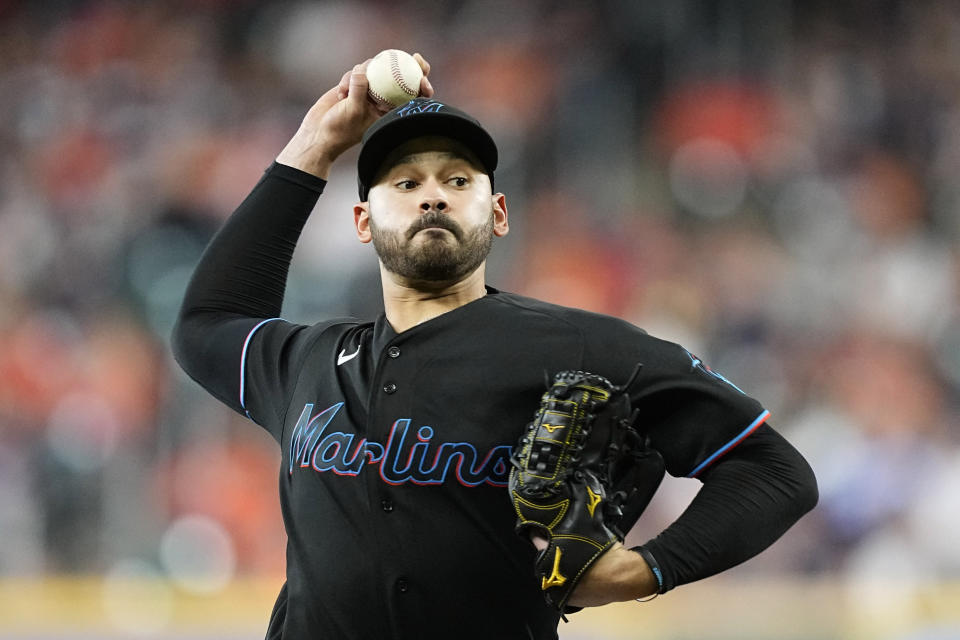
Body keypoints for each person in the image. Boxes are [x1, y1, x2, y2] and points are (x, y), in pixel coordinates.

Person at [172, 54, 818, 640]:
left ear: (498, 213)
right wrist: (313, 147)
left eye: (458, 180)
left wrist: (647, 568)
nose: (432, 193)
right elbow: (206, 322)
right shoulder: (308, 363)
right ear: (363, 221)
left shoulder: (579, 346)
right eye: (405, 182)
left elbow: (775, 472)